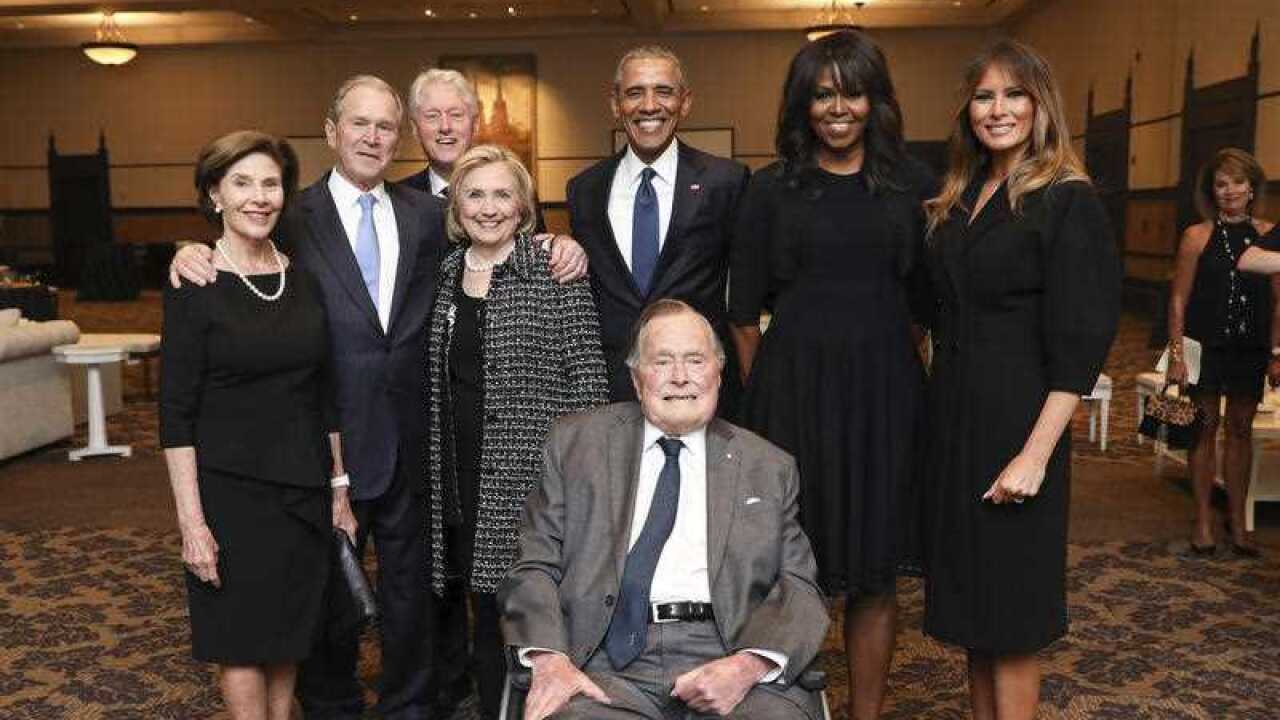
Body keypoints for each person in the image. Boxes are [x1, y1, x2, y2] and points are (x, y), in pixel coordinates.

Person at [167, 75, 587, 720]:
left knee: (411, 595)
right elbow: (238, 255)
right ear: (332, 132)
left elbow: (497, 241)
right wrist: (187, 250)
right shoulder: (290, 212)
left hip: (419, 439)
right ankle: (332, 706)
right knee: (323, 595)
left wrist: (560, 242)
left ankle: (411, 706)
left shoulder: (427, 214)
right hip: (316, 445)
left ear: (402, 137)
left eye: (386, 126)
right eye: (358, 124)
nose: (372, 137)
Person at [728, 30, 933, 720]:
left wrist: (894, 376)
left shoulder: (914, 185)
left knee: (876, 576)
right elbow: (742, 313)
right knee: (793, 573)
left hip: (885, 397)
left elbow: (925, 306)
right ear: (802, 104)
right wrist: (769, 403)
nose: (837, 108)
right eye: (822, 94)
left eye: (852, 91)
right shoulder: (769, 189)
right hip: (792, 400)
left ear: (876, 100)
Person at [499, 299, 829, 720]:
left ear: (717, 372)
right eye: (662, 362)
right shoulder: (576, 444)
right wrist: (550, 661)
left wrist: (748, 665)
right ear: (637, 379)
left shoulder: (767, 465)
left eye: (695, 360)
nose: (680, 377)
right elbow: (533, 566)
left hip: (728, 652)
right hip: (603, 666)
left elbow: (801, 585)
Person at [919, 40, 1120, 720]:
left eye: (1013, 95)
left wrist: (1035, 455)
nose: (997, 109)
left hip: (1019, 425)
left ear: (1041, 105)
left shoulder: (1067, 199)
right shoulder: (962, 195)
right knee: (976, 621)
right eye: (984, 96)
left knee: (1012, 620)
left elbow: (1081, 343)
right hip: (955, 423)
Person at [425, 145, 609, 718]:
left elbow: (589, 389)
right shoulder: (443, 273)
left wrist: (581, 489)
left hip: (531, 484)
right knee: (479, 612)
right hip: (457, 476)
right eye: (474, 194)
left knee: (533, 616)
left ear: (524, 205)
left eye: (502, 193)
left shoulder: (555, 269)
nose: (487, 207)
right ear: (456, 204)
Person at [160, 130, 332, 720]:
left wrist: (336, 487)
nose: (258, 197)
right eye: (241, 183)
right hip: (229, 495)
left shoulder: (302, 276)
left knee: (287, 637)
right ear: (215, 195)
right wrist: (191, 523)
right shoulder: (195, 281)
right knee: (239, 641)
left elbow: (322, 393)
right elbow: (174, 414)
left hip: (301, 490)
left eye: (270, 183)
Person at [566, 46, 749, 416]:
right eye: (634, 93)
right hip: (610, 389)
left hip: (696, 387)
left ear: (685, 102)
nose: (649, 105)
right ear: (616, 104)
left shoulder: (725, 181)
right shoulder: (584, 189)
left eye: (663, 91)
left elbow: (745, 290)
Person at [1167, 148, 1277, 557]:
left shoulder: (1269, 234)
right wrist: (1177, 354)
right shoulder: (1196, 235)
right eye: (1221, 183)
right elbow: (1178, 299)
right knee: (1204, 430)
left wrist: (1278, 351)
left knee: (1241, 432)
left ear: (1252, 188)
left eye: (1238, 182)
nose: (1229, 190)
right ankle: (1201, 520)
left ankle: (1238, 524)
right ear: (1212, 191)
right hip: (1205, 347)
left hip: (1250, 349)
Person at [400, 68, 547, 233]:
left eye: (456, 115)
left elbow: (539, 249)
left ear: (475, 125)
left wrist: (562, 243)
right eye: (432, 116)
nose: (445, 127)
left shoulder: (517, 190)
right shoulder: (398, 200)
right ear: (415, 128)